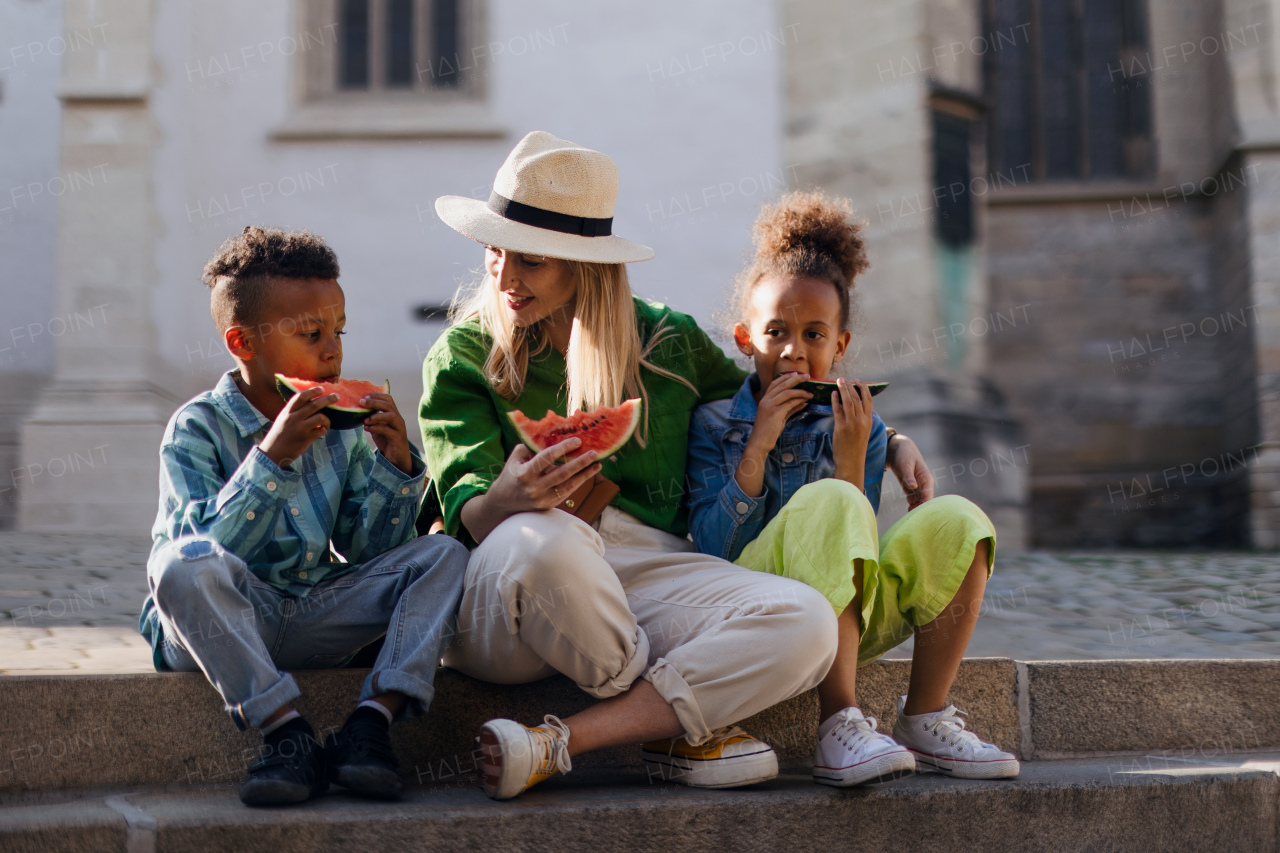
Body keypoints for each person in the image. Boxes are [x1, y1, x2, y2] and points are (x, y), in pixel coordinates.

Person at [418, 131, 839, 800]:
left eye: (529, 261)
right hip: (509, 587)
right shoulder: (463, 354)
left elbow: (766, 398)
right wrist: (510, 494)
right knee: (547, 540)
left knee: (809, 621)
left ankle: (571, 738)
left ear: (583, 265)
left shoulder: (666, 339)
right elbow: (469, 511)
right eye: (495, 254)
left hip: (645, 570)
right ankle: (686, 726)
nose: (504, 278)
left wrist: (890, 436)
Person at [685, 191, 1020, 787]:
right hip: (754, 613)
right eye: (775, 332)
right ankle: (839, 721)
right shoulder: (713, 424)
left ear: (840, 346)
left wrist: (860, 451)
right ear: (744, 339)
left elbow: (853, 556)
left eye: (815, 334)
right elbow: (714, 552)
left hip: (842, 623)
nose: (794, 349)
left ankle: (924, 715)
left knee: (961, 520)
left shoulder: (858, 425)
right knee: (836, 500)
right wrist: (757, 449)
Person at [139, 226, 468, 806]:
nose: (333, 351)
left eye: (339, 331)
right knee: (175, 563)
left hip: (314, 611)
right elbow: (200, 555)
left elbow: (370, 554)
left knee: (443, 553)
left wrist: (396, 472)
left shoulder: (344, 430)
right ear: (242, 342)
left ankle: (371, 721)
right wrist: (271, 460)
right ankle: (286, 733)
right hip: (224, 624)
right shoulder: (196, 428)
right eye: (311, 334)